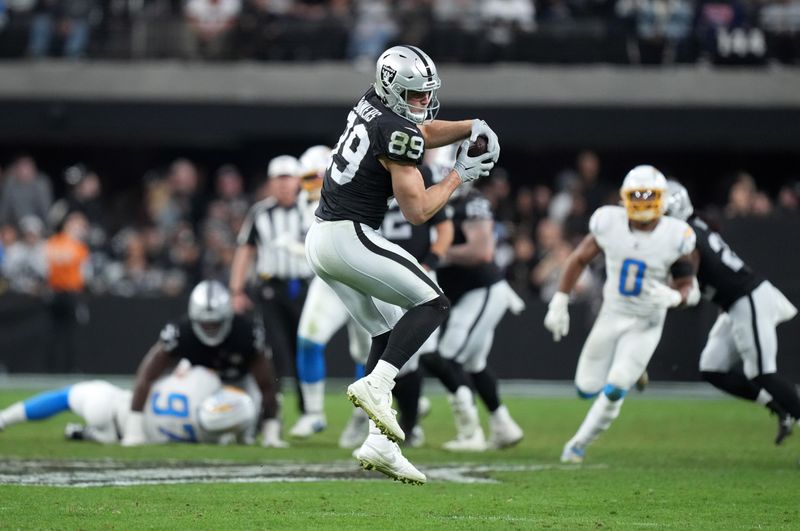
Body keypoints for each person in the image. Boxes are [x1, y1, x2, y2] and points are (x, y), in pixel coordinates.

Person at [304, 44, 500, 484]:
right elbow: (418, 212)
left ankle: (381, 443)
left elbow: (420, 132)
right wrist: (459, 176)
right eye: (414, 95)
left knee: (385, 331)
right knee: (432, 302)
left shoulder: (374, 102)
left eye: (424, 94)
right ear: (393, 88)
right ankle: (377, 384)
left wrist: (470, 126)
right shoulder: (398, 129)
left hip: (323, 237)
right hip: (349, 234)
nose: (422, 103)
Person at [543, 165, 699, 464]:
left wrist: (675, 296)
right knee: (586, 388)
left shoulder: (676, 235)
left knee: (615, 385)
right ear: (624, 198)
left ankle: (578, 444)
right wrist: (559, 301)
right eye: (636, 196)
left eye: (648, 195)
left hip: (646, 320)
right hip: (611, 313)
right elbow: (578, 258)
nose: (641, 202)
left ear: (662, 199)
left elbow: (689, 287)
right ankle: (635, 370)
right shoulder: (608, 222)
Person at [664, 180, 800, 444]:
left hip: (747, 299)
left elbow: (687, 281)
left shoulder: (687, 236)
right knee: (712, 368)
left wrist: (660, 293)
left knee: (762, 373)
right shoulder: (694, 227)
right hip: (733, 305)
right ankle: (779, 406)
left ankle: (788, 407)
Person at [420, 177, 525, 452]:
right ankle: (504, 426)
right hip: (465, 295)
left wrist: (438, 253)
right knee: (474, 364)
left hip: (483, 290)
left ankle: (471, 434)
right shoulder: (423, 204)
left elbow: (482, 251)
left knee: (448, 357)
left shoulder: (471, 203)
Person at [120, 280, 285, 448]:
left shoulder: (246, 332)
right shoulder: (180, 333)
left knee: (248, 424)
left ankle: (265, 429)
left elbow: (267, 384)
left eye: (216, 324)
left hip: (240, 384)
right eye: (205, 324)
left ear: (228, 315)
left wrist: (270, 430)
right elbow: (146, 375)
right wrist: (134, 429)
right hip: (199, 386)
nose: (211, 329)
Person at [290, 145, 372, 440]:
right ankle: (313, 413)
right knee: (309, 341)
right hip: (328, 279)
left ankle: (364, 415)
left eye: (317, 177)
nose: (311, 185)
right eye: (307, 178)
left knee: (366, 352)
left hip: (362, 280)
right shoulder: (304, 200)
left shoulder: (355, 188)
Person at [230, 155, 313, 416]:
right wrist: (237, 290)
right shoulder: (259, 212)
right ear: (270, 182)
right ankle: (270, 411)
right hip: (270, 290)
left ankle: (309, 410)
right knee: (275, 350)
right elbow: (245, 251)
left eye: (288, 178)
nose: (283, 185)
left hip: (305, 287)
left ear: (298, 181)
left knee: (304, 348)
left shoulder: (310, 209)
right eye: (278, 179)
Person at [0, 362, 256, 445]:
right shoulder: (209, 438)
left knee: (65, 397)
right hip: (119, 435)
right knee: (97, 430)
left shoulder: (203, 379)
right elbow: (231, 427)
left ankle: (4, 419)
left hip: (112, 407)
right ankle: (87, 434)